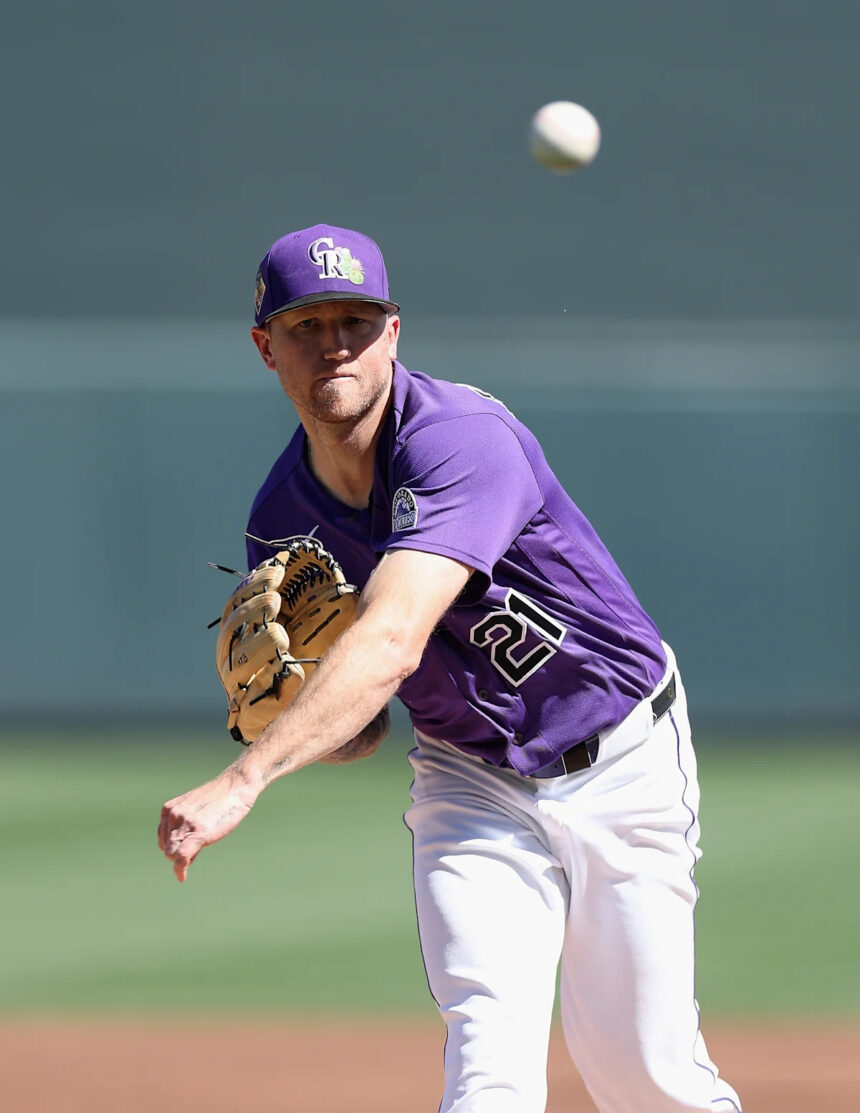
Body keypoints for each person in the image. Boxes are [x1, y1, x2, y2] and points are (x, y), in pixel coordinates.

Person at [158, 223, 742, 1113]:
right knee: (488, 1065)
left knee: (644, 1075)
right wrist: (297, 712)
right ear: (264, 346)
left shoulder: (461, 437)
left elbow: (391, 641)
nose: (335, 345)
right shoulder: (282, 517)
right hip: (472, 780)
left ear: (394, 331)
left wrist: (248, 776)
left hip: (620, 754)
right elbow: (365, 727)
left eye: (356, 320)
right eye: (308, 325)